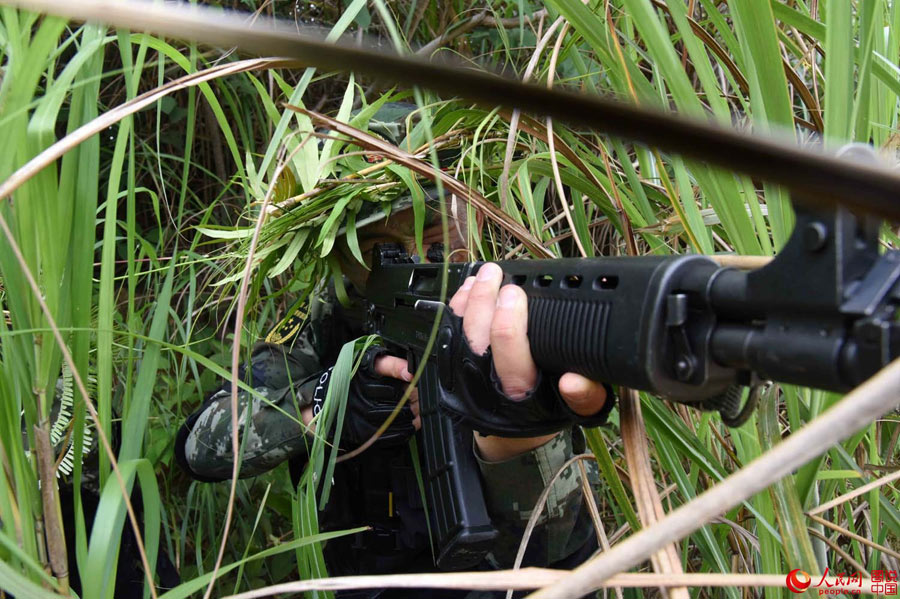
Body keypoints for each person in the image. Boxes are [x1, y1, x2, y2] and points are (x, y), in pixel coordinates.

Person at [174, 105, 616, 598]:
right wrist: (328, 403)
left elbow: (560, 545)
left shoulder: (508, 309)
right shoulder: (330, 315)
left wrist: (519, 432)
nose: (414, 260)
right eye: (380, 249)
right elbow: (201, 447)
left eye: (437, 238)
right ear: (338, 254)